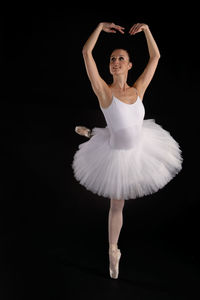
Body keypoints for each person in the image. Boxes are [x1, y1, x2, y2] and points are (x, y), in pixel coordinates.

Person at [72, 22, 182, 279]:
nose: (116, 62)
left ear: (130, 65)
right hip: (117, 154)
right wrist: (99, 27)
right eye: (112, 59)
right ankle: (113, 250)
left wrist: (146, 30)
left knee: (114, 135)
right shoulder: (104, 91)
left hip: (141, 147)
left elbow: (155, 57)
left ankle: (91, 133)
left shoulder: (138, 89)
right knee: (117, 206)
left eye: (121, 58)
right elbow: (86, 54)